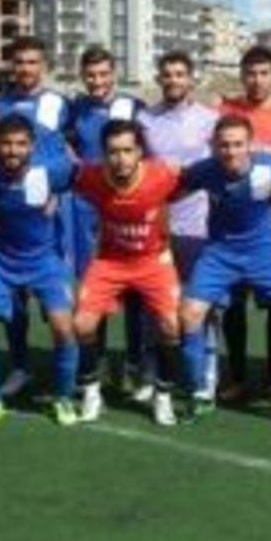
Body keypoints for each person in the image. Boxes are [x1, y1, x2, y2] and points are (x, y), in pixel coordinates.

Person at [177, 115, 271, 423]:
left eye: (237, 144)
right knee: (189, 315)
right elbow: (169, 191)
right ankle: (198, 393)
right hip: (219, 253)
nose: (231, 151)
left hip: (264, 251)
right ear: (213, 146)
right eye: (224, 145)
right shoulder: (204, 170)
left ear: (250, 145)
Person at [0, 115, 80, 427]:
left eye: (20, 144)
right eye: (6, 143)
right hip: (0, 261)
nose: (13, 150)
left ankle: (64, 398)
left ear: (32, 146)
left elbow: (87, 176)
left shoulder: (53, 171)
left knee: (64, 327)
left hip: (45, 261)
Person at [69, 119, 184, 427]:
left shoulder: (162, 175)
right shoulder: (91, 177)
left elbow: (198, 179)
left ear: (140, 152)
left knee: (172, 326)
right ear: (103, 154)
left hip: (152, 261)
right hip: (110, 262)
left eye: (127, 150)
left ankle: (163, 396)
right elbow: (59, 175)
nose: (120, 158)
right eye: (113, 152)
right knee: (81, 324)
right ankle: (91, 393)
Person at [218, 45, 271, 400]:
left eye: (264, 73)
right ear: (242, 76)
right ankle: (237, 376)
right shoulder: (226, 112)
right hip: (231, 226)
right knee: (233, 304)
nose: (257, 80)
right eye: (251, 73)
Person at [65, 45, 149, 398]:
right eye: (90, 75)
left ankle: (134, 363)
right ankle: (94, 360)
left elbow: (147, 154)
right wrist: (79, 169)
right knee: (92, 288)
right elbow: (64, 145)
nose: (97, 81)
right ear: (82, 76)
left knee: (133, 289)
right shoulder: (75, 109)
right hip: (87, 209)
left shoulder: (134, 107)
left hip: (126, 207)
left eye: (103, 74)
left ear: (114, 73)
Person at [0, 35, 72, 397]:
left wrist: (58, 192)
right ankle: (20, 366)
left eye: (32, 62)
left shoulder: (59, 103)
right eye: (19, 62)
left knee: (58, 299)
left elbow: (72, 153)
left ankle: (67, 368)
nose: (25, 68)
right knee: (14, 298)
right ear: (11, 65)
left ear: (44, 66)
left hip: (52, 215)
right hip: (11, 213)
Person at [139, 50, 219, 407]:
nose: (173, 80)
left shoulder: (209, 120)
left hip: (198, 226)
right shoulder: (144, 120)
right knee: (156, 306)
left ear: (191, 78)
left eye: (179, 74)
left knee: (202, 305)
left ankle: (206, 375)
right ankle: (153, 375)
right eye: (167, 74)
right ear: (159, 78)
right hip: (157, 227)